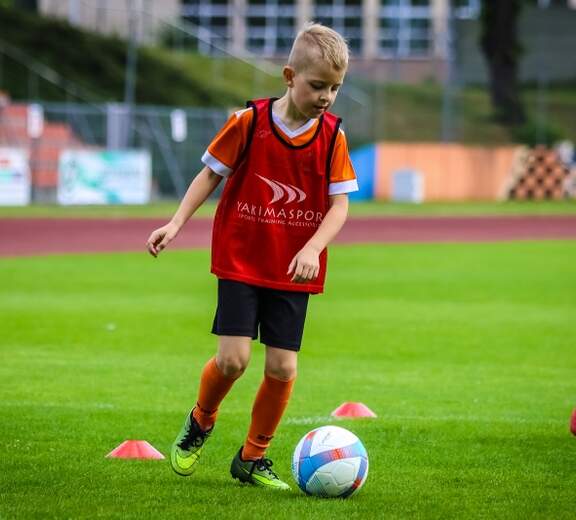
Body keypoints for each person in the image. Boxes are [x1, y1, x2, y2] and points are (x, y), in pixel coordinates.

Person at [146, 22, 358, 490]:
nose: (326, 97)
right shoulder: (249, 122)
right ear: (289, 76)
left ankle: (252, 457)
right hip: (241, 258)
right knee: (234, 361)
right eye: (317, 85)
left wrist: (312, 247)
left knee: (283, 367)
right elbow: (210, 175)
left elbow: (340, 205)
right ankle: (201, 420)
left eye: (335, 88)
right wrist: (176, 223)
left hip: (293, 267)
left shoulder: (333, 137)